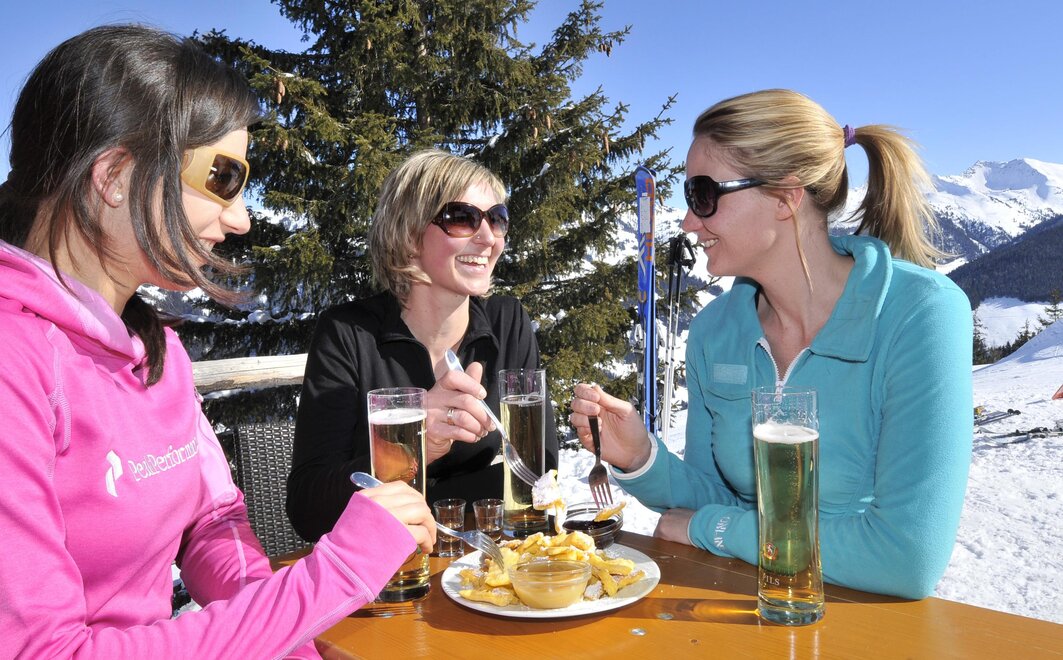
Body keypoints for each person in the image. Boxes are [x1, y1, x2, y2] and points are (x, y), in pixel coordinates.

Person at [0, 25, 435, 659]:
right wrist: (335, 575)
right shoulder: (16, 361)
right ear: (115, 175)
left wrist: (288, 636)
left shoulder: (156, 352)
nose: (241, 217)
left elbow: (211, 524)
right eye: (223, 177)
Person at [569, 89, 973, 600]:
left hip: (864, 615)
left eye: (703, 194)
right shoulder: (716, 330)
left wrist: (714, 530)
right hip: (743, 604)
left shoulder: (920, 314)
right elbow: (714, 494)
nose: (689, 221)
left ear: (786, 197)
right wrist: (640, 457)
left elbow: (905, 557)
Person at [288, 149, 557, 542]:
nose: (488, 238)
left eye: (497, 219)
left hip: (487, 561)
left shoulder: (508, 323)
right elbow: (309, 509)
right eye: (463, 218)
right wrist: (414, 444)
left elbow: (539, 475)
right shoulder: (348, 335)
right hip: (391, 566)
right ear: (409, 236)